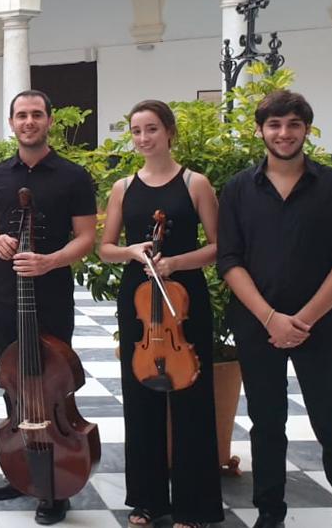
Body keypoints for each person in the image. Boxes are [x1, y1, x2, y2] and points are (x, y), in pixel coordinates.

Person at [218, 90, 332, 528]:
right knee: (267, 425)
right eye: (274, 125)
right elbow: (230, 260)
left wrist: (302, 320)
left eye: (293, 125)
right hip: (256, 326)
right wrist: (271, 318)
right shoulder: (238, 189)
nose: (283, 134)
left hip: (318, 326)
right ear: (260, 130)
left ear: (306, 129)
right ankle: (270, 513)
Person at [98, 100, 223, 528]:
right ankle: (148, 500)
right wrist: (133, 252)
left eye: (151, 129)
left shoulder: (195, 183)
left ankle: (195, 504)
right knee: (141, 398)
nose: (143, 138)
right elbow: (106, 248)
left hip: (183, 296)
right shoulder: (122, 187)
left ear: (169, 131)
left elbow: (220, 246)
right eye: (136, 130)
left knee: (191, 398)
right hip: (138, 296)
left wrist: (176, 263)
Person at [0, 90, 96, 524]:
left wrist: (50, 260)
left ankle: (55, 484)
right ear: (11, 123)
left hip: (52, 294)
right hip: (4, 295)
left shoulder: (73, 176)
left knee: (50, 382)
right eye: (21, 115)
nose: (29, 122)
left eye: (36, 115)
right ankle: (22, 469)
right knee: (14, 382)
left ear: (49, 121)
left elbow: (86, 237)